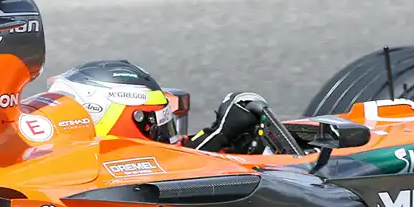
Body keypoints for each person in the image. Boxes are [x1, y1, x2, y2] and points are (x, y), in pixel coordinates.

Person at [46, 59, 264, 153]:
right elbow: (177, 169)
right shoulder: (103, 164)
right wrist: (219, 134)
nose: (165, 134)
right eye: (156, 124)